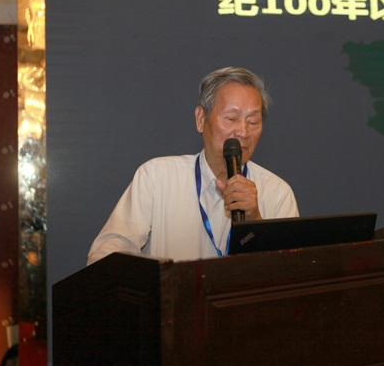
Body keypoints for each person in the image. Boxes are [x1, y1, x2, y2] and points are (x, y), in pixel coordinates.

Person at [87, 67, 299, 263]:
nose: (243, 132)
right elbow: (105, 254)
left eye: (253, 121)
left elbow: (292, 272)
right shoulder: (157, 177)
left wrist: (255, 221)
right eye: (231, 118)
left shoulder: (278, 193)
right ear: (200, 118)